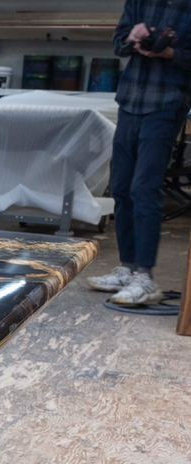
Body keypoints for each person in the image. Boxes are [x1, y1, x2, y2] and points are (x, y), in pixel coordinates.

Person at [87, 1, 191, 305]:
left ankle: (145, 278)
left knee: (144, 187)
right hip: (131, 98)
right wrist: (133, 37)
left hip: (167, 102)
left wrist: (169, 53)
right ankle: (128, 268)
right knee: (120, 187)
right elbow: (118, 45)